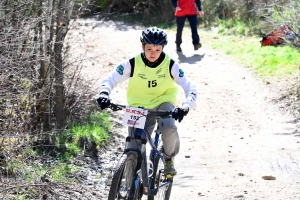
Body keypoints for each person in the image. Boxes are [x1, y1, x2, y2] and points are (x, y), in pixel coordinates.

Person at [97, 27, 198, 177]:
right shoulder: (132, 63)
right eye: (149, 48)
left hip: (163, 103)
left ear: (162, 48)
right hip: (137, 106)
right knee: (133, 145)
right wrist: (104, 93)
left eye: (157, 50)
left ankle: (169, 158)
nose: (153, 53)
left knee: (169, 127)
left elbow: (190, 88)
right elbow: (110, 79)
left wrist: (185, 106)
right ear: (142, 46)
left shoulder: (171, 65)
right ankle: (129, 178)